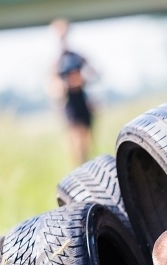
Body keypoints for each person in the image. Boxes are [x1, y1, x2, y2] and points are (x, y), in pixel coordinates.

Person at [49, 18, 98, 165]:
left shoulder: (77, 56)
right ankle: (79, 167)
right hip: (69, 103)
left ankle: (87, 165)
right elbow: (52, 84)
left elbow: (94, 73)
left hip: (82, 99)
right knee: (75, 140)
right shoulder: (56, 61)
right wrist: (61, 87)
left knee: (87, 140)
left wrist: (82, 79)